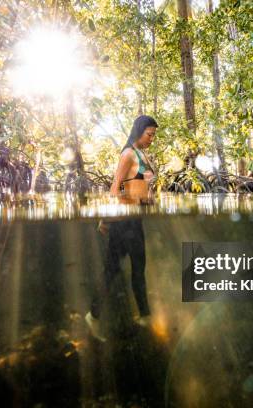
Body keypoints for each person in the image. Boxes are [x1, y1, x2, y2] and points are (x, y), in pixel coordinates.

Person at [86, 115, 158, 342]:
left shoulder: (141, 154)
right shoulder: (127, 154)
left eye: (154, 135)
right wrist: (106, 218)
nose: (151, 139)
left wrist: (147, 200)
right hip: (124, 221)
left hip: (134, 219)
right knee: (116, 270)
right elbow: (115, 188)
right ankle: (95, 316)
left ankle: (142, 317)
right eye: (149, 134)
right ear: (138, 131)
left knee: (133, 267)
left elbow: (138, 187)